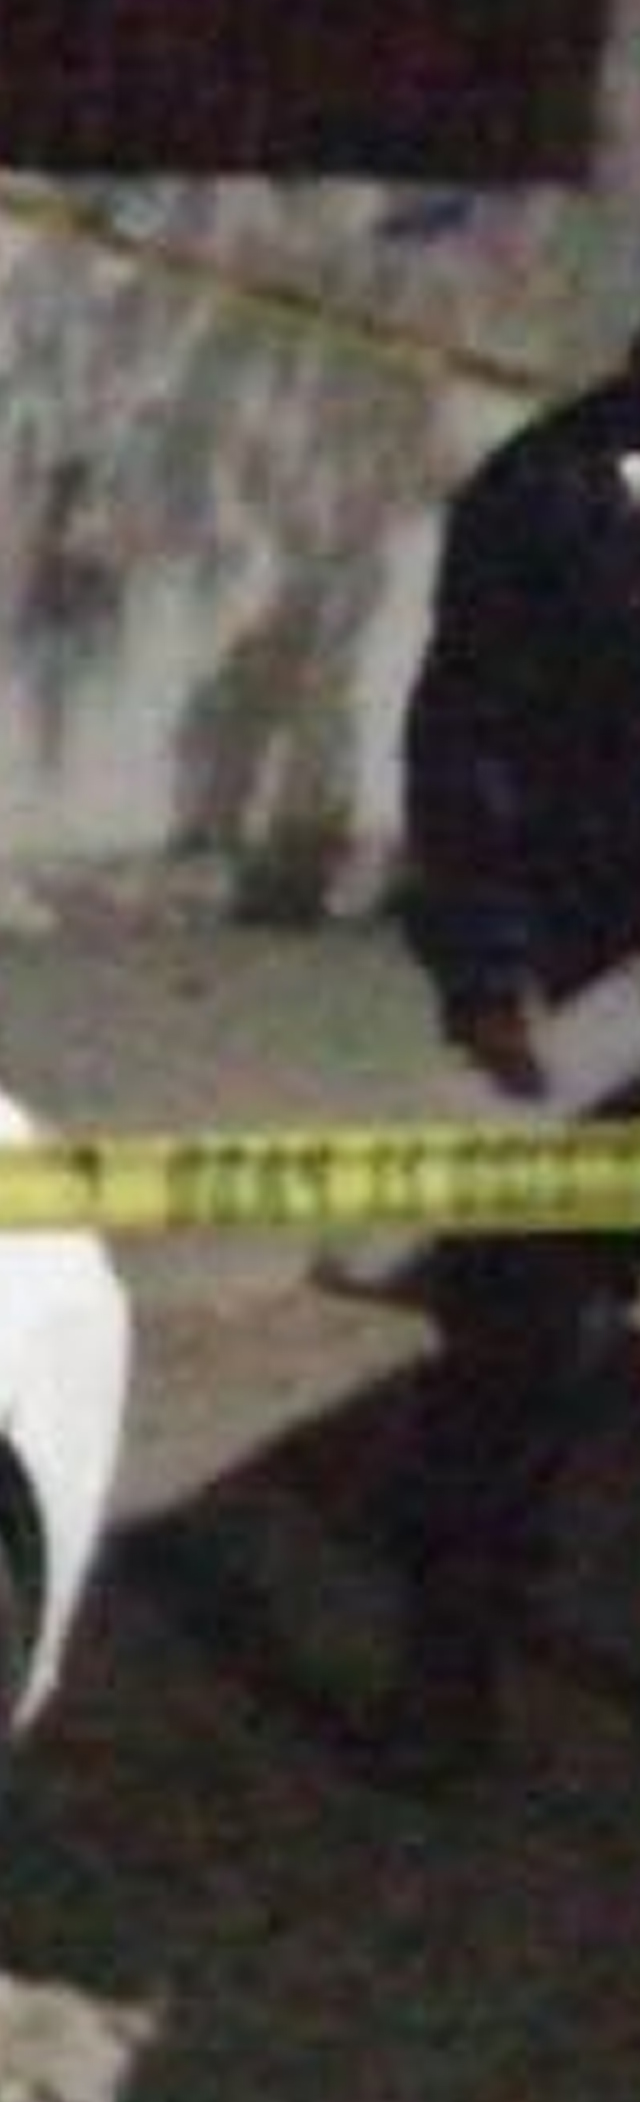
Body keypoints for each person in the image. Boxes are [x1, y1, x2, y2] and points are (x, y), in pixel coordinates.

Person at [377, 330, 640, 1789]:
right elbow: (467, 749)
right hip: (579, 1005)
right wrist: (487, 973)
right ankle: (448, 1662)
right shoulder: (551, 494)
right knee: (512, 1348)